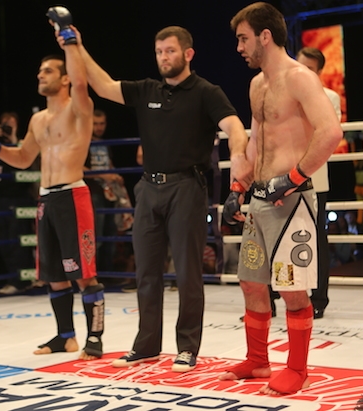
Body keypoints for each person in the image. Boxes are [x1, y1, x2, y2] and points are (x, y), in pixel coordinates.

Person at [72, 24, 253, 372]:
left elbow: (233, 125)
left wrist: (238, 153)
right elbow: (103, 85)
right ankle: (146, 344)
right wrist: (77, 46)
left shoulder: (206, 92)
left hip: (187, 187)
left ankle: (187, 347)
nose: (163, 57)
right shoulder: (147, 90)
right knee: (146, 272)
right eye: (158, 52)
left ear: (188, 53)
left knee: (187, 272)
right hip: (148, 187)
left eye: (170, 51)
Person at [220, 2, 343, 395]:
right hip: (259, 200)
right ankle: (258, 360)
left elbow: (330, 132)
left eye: (243, 38)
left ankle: (297, 368)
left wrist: (293, 178)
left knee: (292, 288)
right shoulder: (257, 85)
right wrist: (238, 188)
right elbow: (257, 142)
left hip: (292, 202)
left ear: (265, 36)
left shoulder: (300, 78)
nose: (239, 47)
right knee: (251, 283)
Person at [0, 6, 104, 360]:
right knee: (54, 274)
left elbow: (81, 81)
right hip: (46, 199)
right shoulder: (38, 120)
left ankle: (95, 338)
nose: (39, 75)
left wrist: (68, 39)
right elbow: (24, 158)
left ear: (63, 79)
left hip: (73, 195)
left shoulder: (78, 108)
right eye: (39, 71)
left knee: (84, 274)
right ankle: (65, 336)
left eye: (48, 71)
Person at [295, 46, 343, 319]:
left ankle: (319, 299)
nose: (304, 72)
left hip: (315, 179)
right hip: (282, 177)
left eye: (310, 69)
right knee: (276, 236)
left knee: (316, 239)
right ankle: (274, 296)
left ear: (320, 72)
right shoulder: (284, 93)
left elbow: (328, 137)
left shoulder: (329, 97)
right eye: (301, 66)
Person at [0, 112, 37, 295]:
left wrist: (12, 139)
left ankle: (21, 281)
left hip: (19, 197)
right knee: (4, 240)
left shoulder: (22, 144)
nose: (7, 127)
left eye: (10, 124)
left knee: (18, 240)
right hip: (1, 199)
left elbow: (26, 162)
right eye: (4, 124)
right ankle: (15, 278)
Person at [84, 109, 134, 276]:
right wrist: (104, 175)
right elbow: (79, 168)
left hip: (109, 192)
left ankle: (108, 274)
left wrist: (115, 175)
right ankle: (95, 275)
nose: (99, 127)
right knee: (96, 235)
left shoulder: (104, 143)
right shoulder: (83, 141)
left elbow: (108, 163)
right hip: (93, 192)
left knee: (110, 233)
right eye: (95, 124)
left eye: (102, 123)